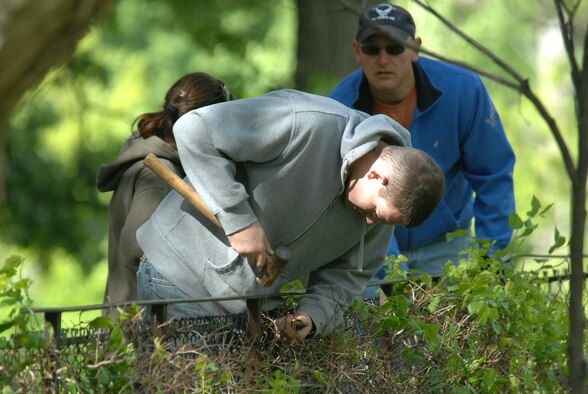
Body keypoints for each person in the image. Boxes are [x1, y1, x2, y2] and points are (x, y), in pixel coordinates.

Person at [136, 89, 445, 339]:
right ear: (378, 177)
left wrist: (311, 317)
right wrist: (239, 220)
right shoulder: (306, 122)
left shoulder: (386, 203)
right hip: (178, 275)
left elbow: (347, 275)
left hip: (250, 306)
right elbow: (194, 129)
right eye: (376, 212)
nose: (372, 222)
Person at [329, 2, 516, 283]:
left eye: (394, 48)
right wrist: (391, 275)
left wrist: (490, 259)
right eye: (372, 49)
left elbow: (494, 174)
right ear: (358, 51)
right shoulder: (340, 108)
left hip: (447, 242)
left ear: (415, 48)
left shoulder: (464, 91)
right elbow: (343, 194)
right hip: (369, 245)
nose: (383, 59)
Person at [96, 72, 232, 316]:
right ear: (203, 123)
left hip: (131, 325)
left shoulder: (157, 161)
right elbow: (137, 246)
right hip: (139, 332)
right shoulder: (159, 173)